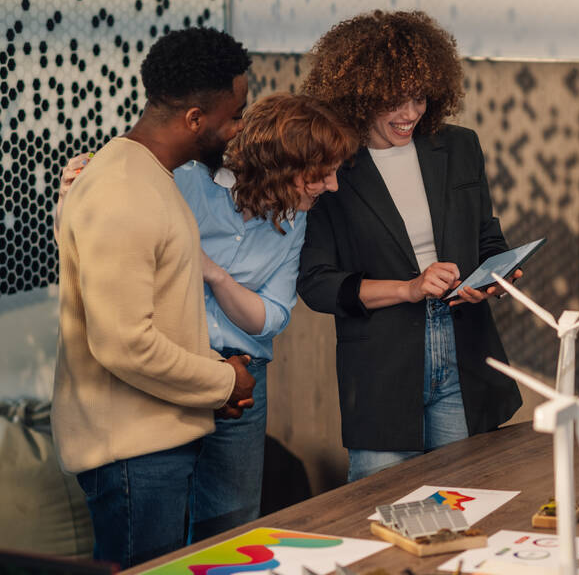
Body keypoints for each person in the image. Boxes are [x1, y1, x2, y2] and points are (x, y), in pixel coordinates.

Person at [55, 93, 357, 544]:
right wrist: (73, 193)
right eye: (321, 174)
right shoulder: (184, 183)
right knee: (156, 537)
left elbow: (270, 318)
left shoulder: (296, 222)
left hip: (242, 384)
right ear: (282, 164)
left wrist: (212, 273)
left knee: (230, 532)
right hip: (166, 374)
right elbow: (110, 258)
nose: (332, 186)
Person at [52, 27, 255, 567]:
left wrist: (214, 367)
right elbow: (123, 344)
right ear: (195, 119)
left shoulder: (147, 175)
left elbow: (151, 315)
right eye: (234, 115)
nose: (237, 128)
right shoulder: (124, 190)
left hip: (151, 446)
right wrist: (223, 381)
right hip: (133, 457)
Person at [297, 10, 523, 482]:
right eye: (393, 101)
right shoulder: (331, 165)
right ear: (357, 98)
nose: (410, 114)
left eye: (419, 97)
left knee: (467, 502)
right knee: (379, 512)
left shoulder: (459, 147)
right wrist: (410, 288)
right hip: (382, 365)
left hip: (464, 352)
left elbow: (486, 234)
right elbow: (318, 285)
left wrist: (496, 275)